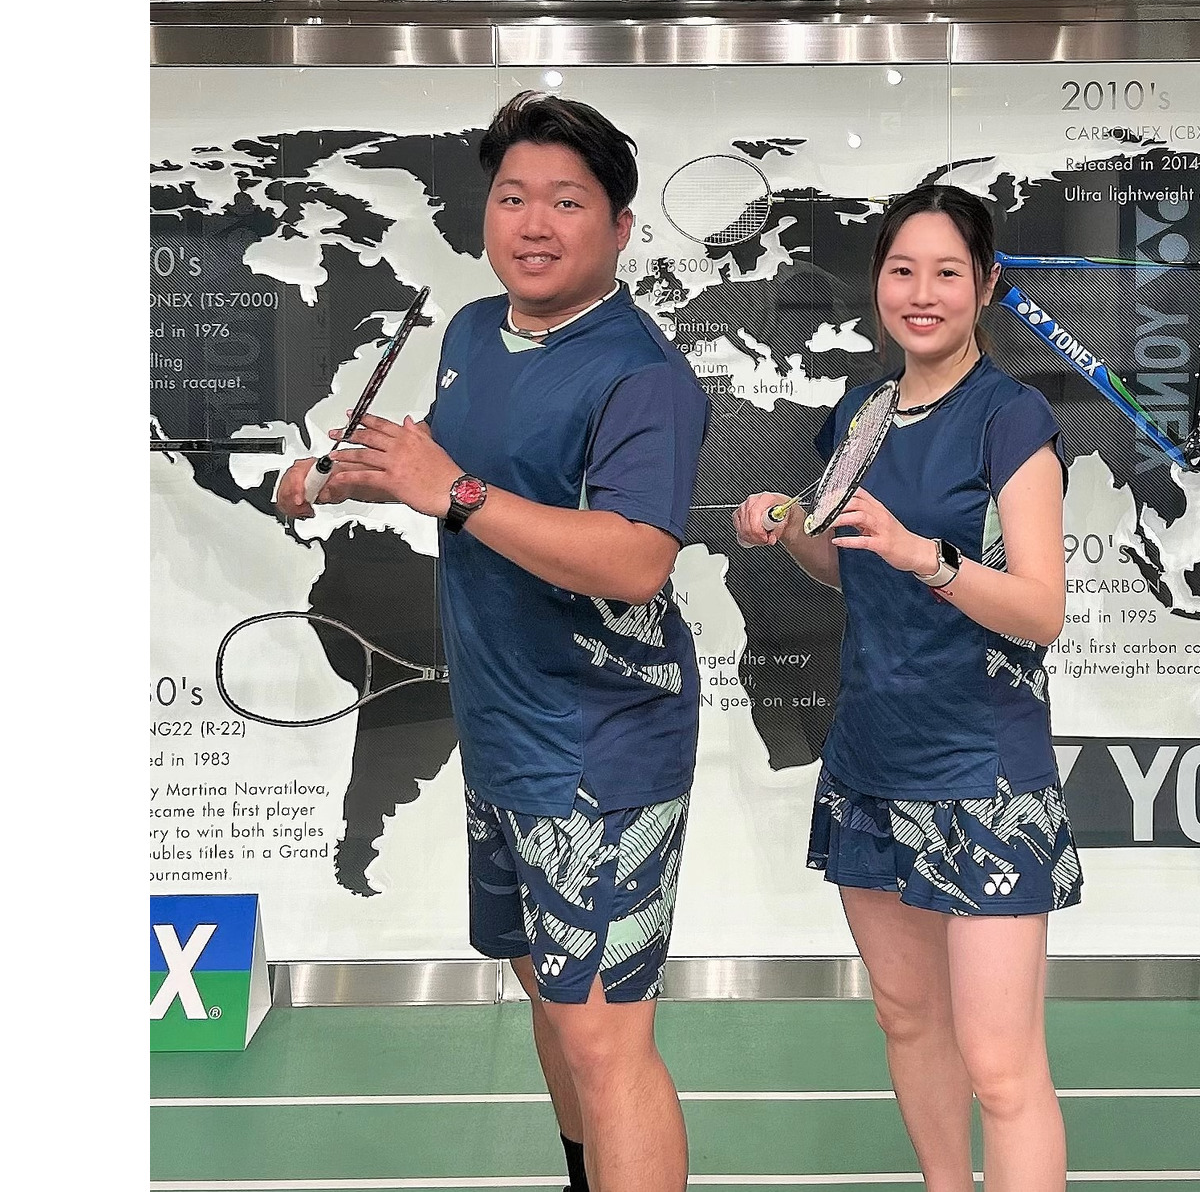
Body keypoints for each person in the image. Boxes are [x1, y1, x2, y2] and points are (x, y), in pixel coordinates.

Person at [277, 91, 710, 1192]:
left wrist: (454, 491)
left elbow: (636, 559)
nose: (534, 223)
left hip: (602, 745)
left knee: (607, 1034)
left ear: (619, 226)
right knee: (550, 999)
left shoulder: (642, 375)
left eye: (567, 201)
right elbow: (441, 461)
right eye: (513, 197)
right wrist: (335, 478)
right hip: (504, 728)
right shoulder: (475, 331)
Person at [733, 185, 1082, 1192]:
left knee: (1002, 1069)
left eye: (946, 273)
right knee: (908, 1019)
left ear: (987, 286)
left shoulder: (1011, 418)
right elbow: (845, 566)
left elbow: (1039, 610)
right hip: (871, 763)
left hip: (983, 776)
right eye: (901, 271)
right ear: (878, 282)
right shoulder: (864, 412)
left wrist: (927, 555)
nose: (921, 294)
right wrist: (787, 525)